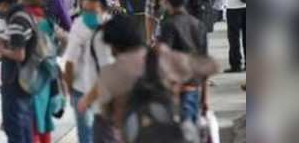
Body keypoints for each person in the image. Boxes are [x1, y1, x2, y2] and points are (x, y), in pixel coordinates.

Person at [77, 14, 218, 137]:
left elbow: (104, 112)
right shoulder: (160, 56)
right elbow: (210, 66)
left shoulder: (110, 73)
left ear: (113, 45)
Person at [63, 0, 114, 143]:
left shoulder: (79, 25)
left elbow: (69, 63)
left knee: (86, 136)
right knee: (105, 135)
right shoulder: (110, 22)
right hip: (107, 89)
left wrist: (69, 89)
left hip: (82, 89)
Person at [155, 0, 209, 123]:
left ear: (166, 1)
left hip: (176, 92)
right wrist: (205, 98)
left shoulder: (168, 26)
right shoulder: (199, 25)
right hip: (194, 89)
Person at [0, 0, 36, 143]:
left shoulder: (16, 20)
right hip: (26, 80)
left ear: (3, 4)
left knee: (15, 129)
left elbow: (19, 54)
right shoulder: (25, 14)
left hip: (16, 83)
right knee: (24, 127)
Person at [20, 0, 63, 143]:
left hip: (30, 75)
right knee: (44, 118)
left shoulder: (25, 20)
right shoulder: (48, 20)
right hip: (47, 74)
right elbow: (64, 40)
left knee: (32, 121)